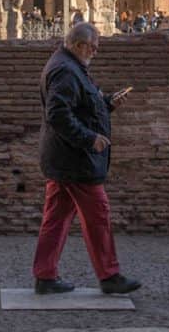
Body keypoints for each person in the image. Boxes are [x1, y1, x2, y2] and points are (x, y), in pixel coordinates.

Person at [32, 23, 140, 296]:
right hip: (75, 160)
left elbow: (81, 105)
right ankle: (109, 275)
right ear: (80, 45)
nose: (95, 52)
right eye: (93, 48)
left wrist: (107, 103)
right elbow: (58, 115)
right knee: (98, 214)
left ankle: (45, 276)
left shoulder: (70, 67)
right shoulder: (67, 71)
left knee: (55, 218)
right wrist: (89, 138)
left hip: (64, 158)